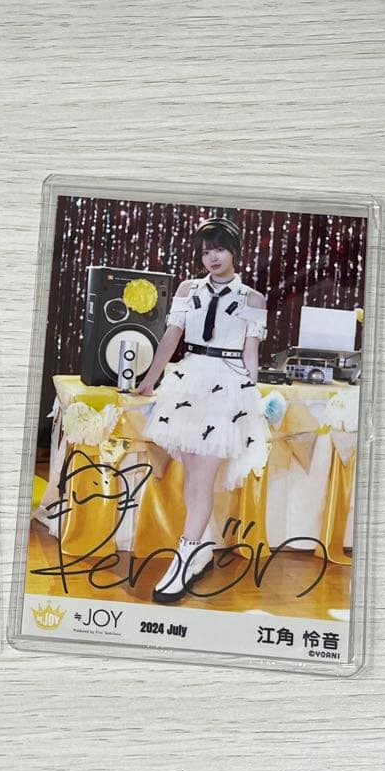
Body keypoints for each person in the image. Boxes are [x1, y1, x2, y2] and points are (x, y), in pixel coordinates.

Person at [135, 217, 269, 603]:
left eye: (220, 249)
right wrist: (150, 379)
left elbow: (250, 354)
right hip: (189, 381)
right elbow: (170, 338)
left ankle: (184, 556)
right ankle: (200, 550)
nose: (212, 258)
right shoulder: (187, 289)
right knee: (192, 477)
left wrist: (250, 400)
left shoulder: (252, 299)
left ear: (234, 252)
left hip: (227, 387)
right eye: (206, 251)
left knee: (201, 480)